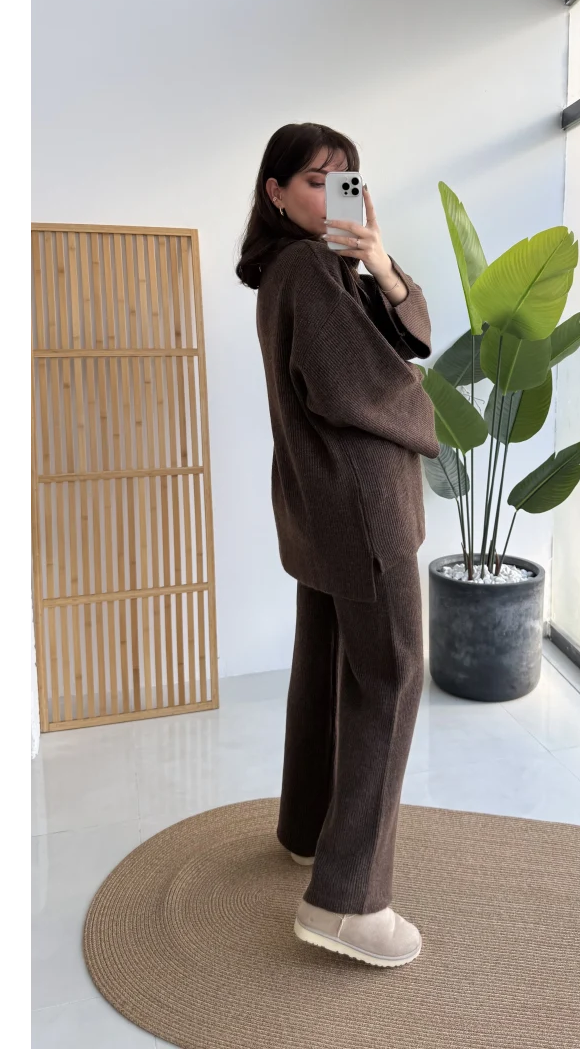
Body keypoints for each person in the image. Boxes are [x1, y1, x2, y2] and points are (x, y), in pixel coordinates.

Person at [235, 122, 440, 967]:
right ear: (276, 192)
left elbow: (410, 330)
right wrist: (424, 406)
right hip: (362, 501)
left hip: (321, 501)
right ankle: (347, 904)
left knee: (324, 662)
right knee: (392, 673)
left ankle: (305, 828)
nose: (334, 195)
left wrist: (383, 267)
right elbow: (365, 385)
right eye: (316, 180)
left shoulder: (308, 268)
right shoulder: (312, 272)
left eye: (346, 178)